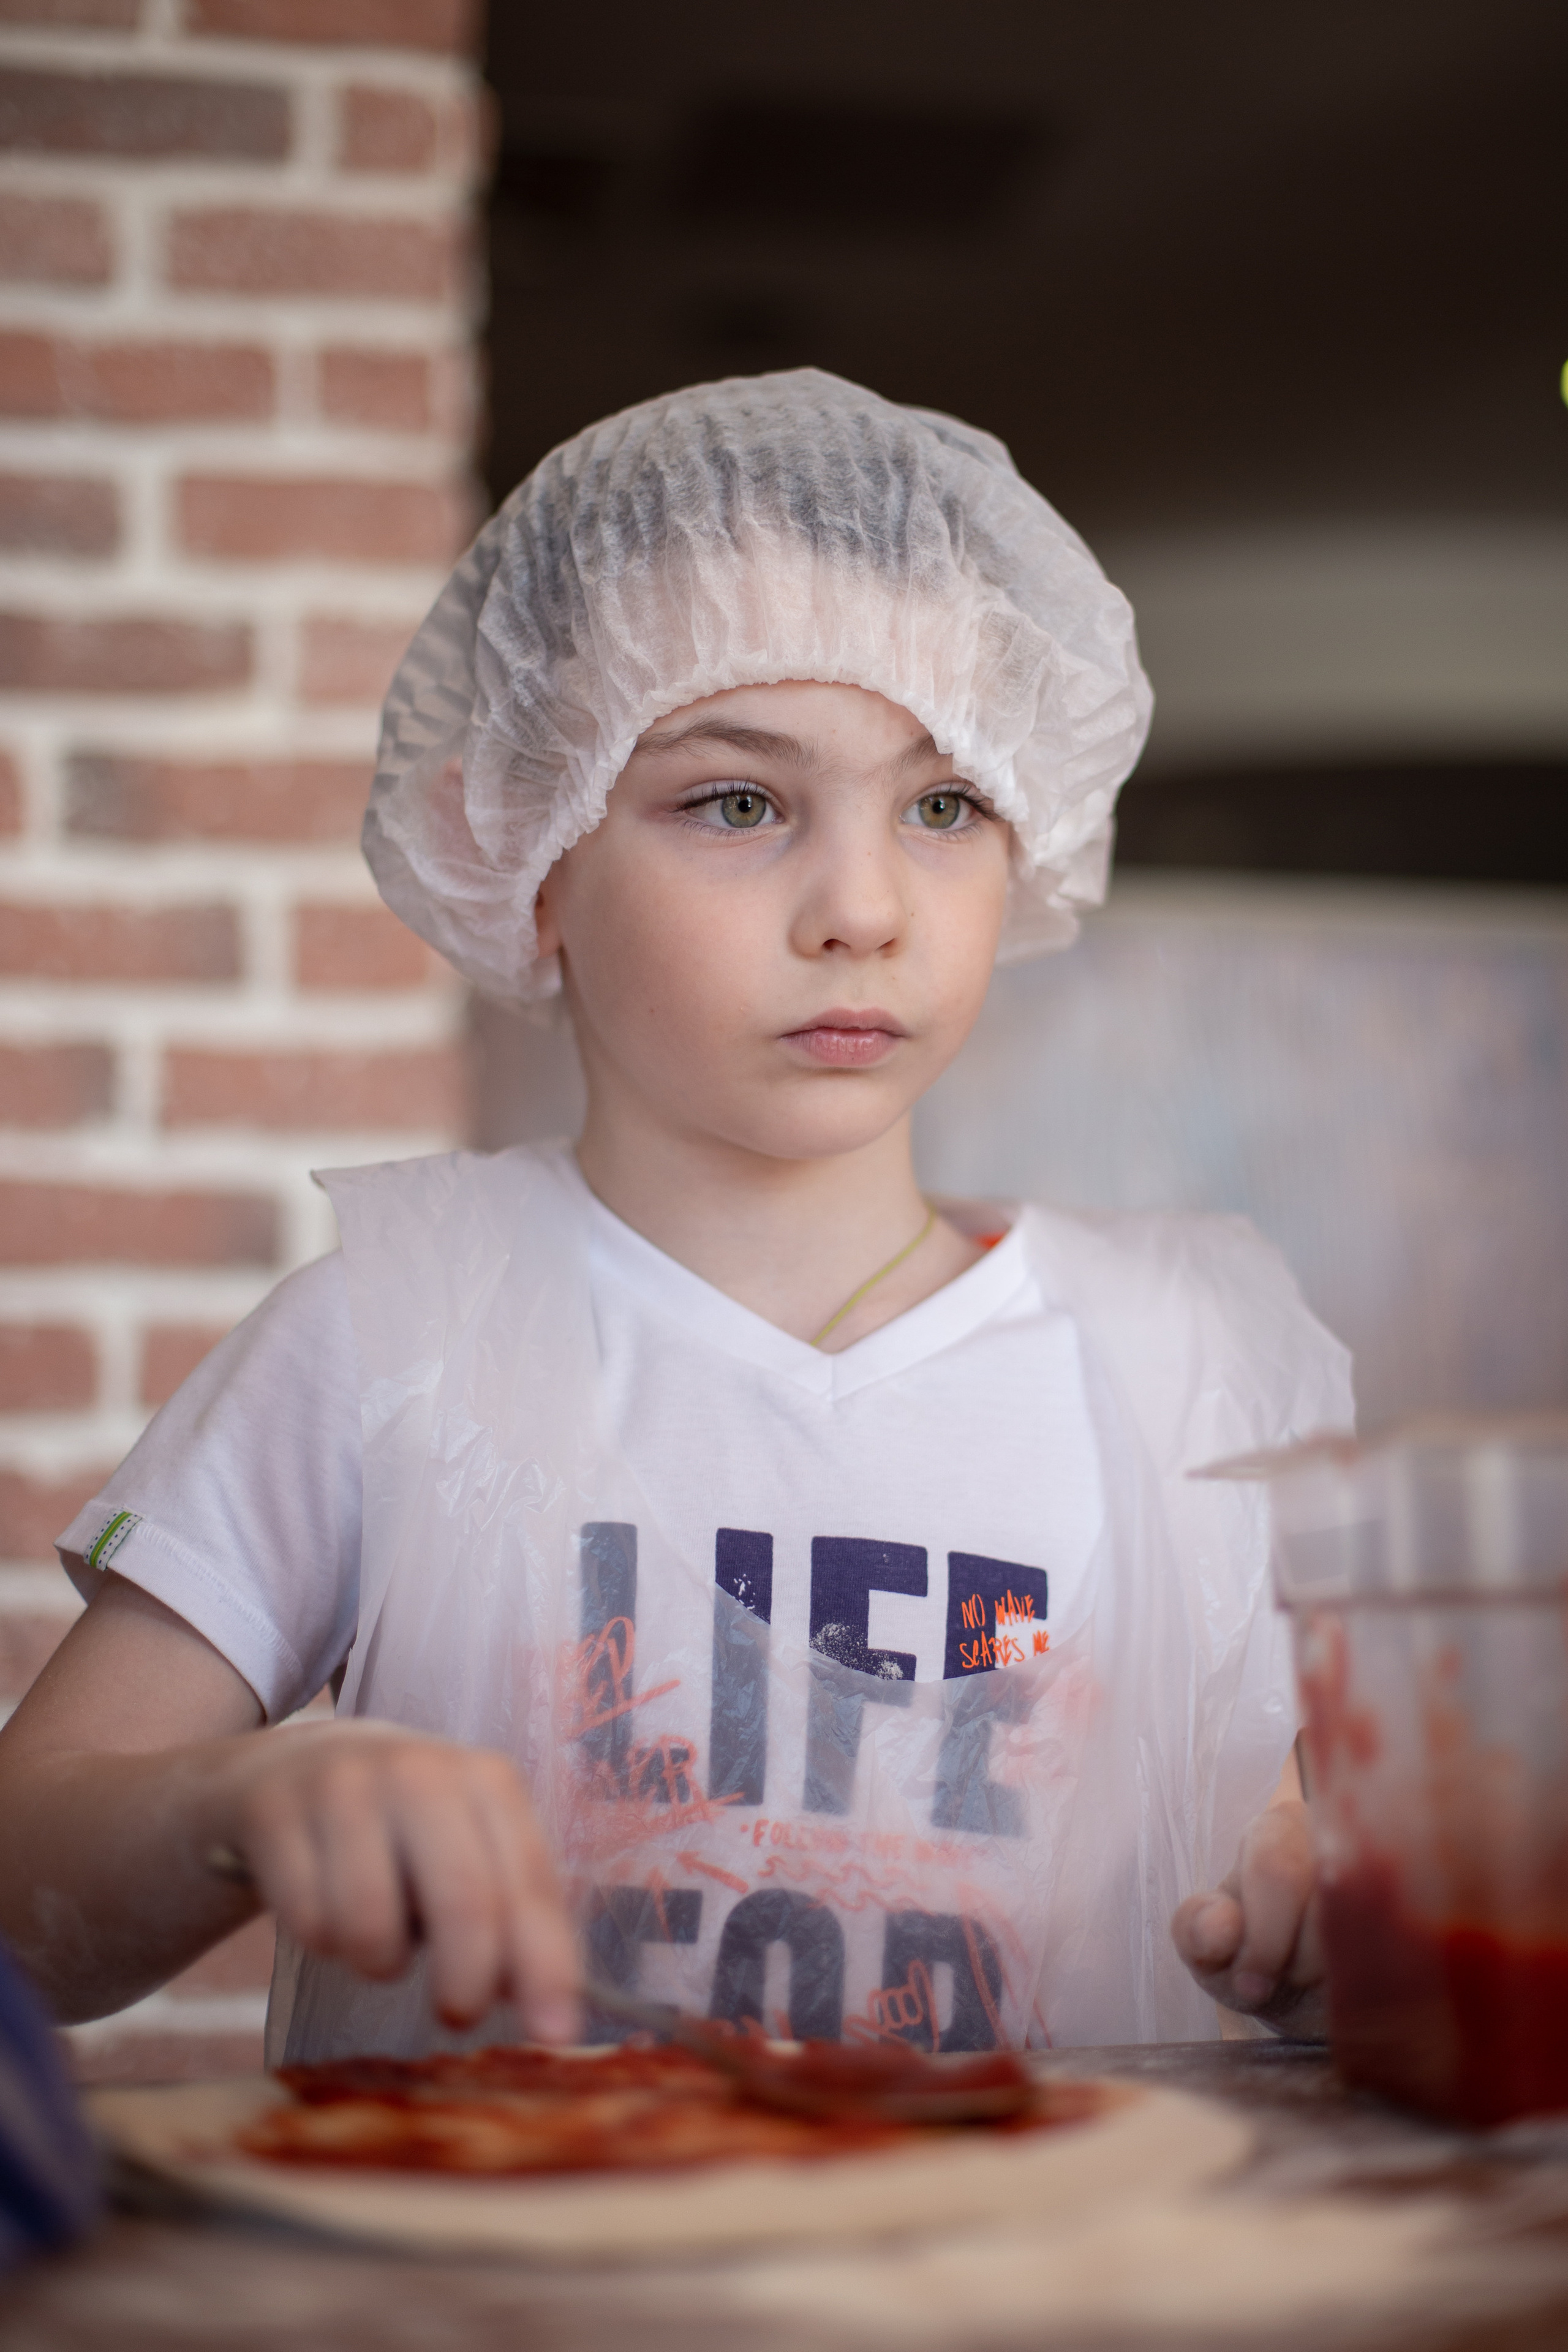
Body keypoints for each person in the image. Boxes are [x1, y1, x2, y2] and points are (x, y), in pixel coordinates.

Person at [0, 371, 1346, 2065]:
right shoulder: (389, 1344)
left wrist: (1331, 1909)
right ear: (523, 846)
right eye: (738, 802)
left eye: (944, 804)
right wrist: (237, 1803)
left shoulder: (1187, 1375)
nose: (862, 907)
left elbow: (1332, 1845)